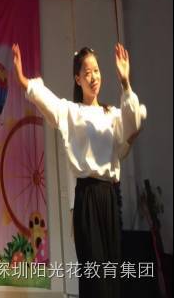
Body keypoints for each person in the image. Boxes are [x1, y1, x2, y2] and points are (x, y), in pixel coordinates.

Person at [12, 43, 146, 298]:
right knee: (94, 276)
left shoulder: (111, 114)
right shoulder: (72, 112)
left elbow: (132, 125)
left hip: (109, 197)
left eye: (96, 71)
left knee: (111, 273)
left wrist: (125, 82)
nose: (93, 77)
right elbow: (48, 101)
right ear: (78, 79)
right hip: (87, 197)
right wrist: (23, 80)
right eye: (87, 73)